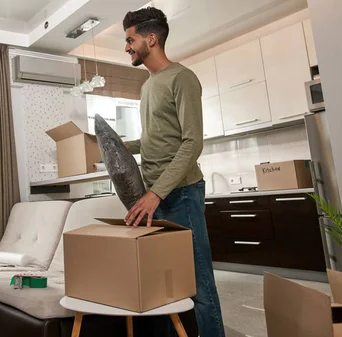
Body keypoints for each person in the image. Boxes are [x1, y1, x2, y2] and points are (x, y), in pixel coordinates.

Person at [122, 7, 226, 337]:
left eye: (130, 39)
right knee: (161, 287)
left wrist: (156, 193)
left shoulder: (182, 78)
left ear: (151, 39)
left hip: (181, 194)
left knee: (197, 283)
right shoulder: (148, 85)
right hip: (155, 196)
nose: (127, 47)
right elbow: (155, 137)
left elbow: (192, 142)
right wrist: (118, 146)